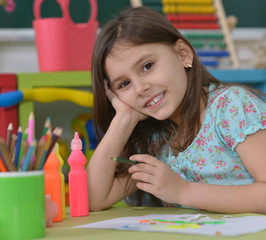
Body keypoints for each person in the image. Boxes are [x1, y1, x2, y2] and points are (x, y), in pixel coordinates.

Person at [86, 6, 266, 214]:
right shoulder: (152, 140)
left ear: (183, 55)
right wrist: (124, 117)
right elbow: (92, 199)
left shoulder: (231, 107)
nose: (140, 88)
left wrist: (183, 191)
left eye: (147, 66)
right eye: (124, 84)